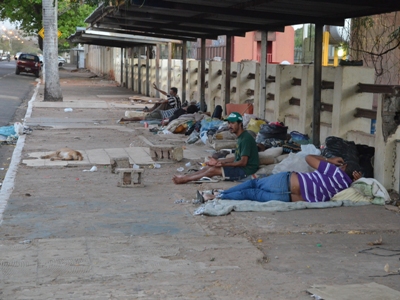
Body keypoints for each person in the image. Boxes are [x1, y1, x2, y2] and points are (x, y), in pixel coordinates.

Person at [199, 155, 363, 202]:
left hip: (285, 181)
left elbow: (309, 158)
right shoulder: (346, 189)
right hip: (288, 198)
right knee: (252, 194)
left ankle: (220, 192)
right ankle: (215, 196)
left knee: (253, 184)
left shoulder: (335, 172)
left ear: (344, 167)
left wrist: (330, 160)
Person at [173, 112, 259, 184]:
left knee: (213, 170)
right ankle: (186, 176)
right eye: (229, 123)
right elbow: (237, 157)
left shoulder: (246, 139)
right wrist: (218, 161)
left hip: (246, 171)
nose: (230, 126)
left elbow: (243, 162)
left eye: (233, 123)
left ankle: (186, 179)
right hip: (241, 167)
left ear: (240, 124)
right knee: (209, 166)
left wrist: (224, 164)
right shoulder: (241, 137)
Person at [117, 83, 183, 123]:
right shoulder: (174, 98)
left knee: (142, 117)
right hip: (160, 113)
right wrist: (157, 89)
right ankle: (126, 119)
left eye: (171, 93)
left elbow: (165, 101)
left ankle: (125, 119)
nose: (170, 94)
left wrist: (158, 102)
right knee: (142, 117)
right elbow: (166, 94)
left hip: (159, 113)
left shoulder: (173, 99)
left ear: (174, 93)